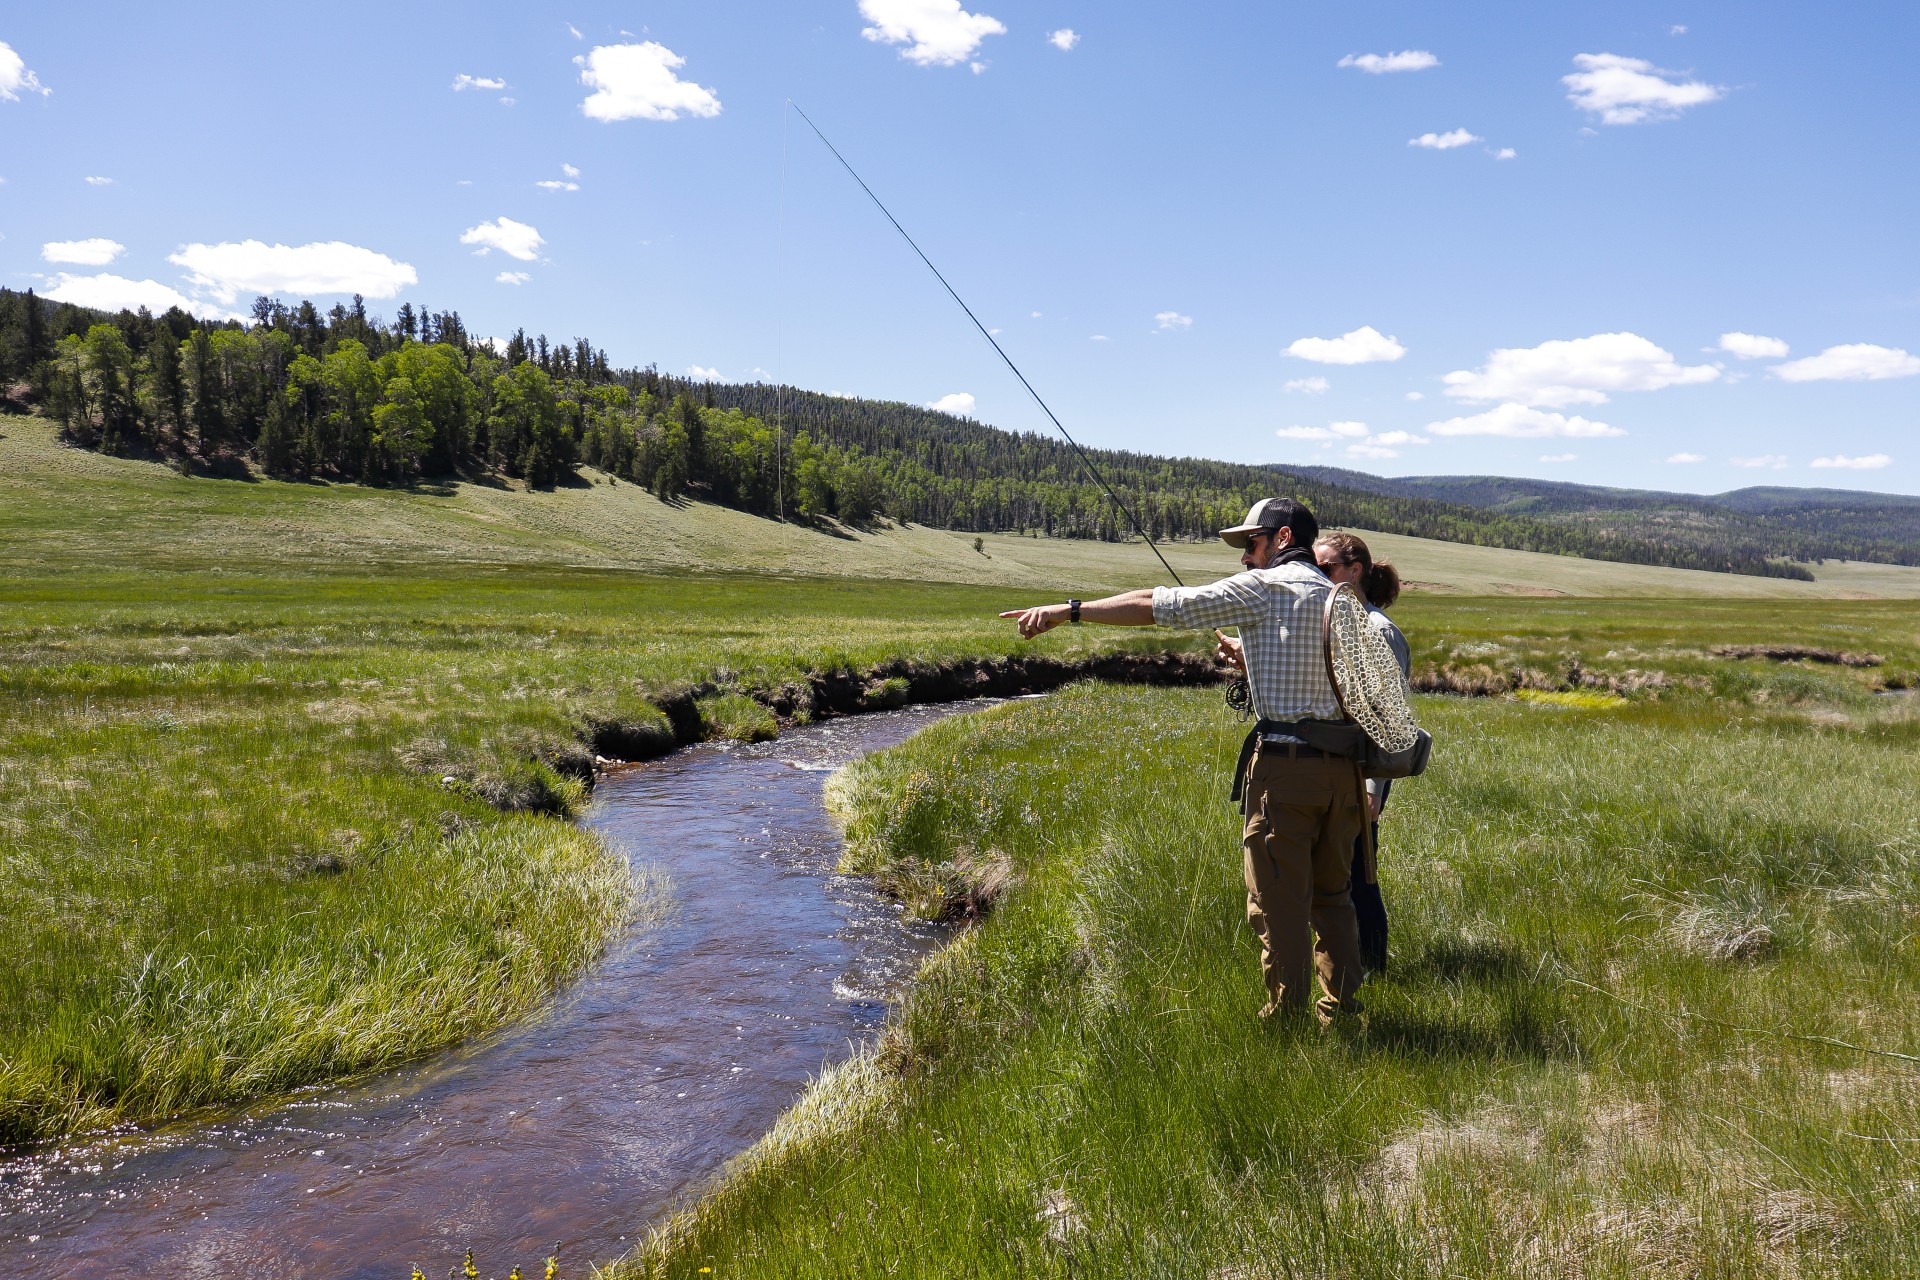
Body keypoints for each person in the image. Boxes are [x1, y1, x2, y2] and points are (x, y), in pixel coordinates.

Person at [1000, 498, 1366, 1024]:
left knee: (1279, 906)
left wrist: (1070, 610)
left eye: (1251, 544)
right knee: (1334, 900)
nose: (1245, 558)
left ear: (1282, 539)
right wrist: (1251, 659)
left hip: (1285, 772)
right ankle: (1343, 1017)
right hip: (1345, 775)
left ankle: (1287, 1025)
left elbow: (1155, 603)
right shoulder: (1342, 599)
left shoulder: (1264, 589)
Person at [1311, 532, 1407, 975]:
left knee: (1359, 874)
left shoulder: (1377, 630)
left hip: (1363, 774)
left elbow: (1390, 721)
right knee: (1337, 872)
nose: (1319, 576)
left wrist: (1374, 788)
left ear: (1355, 572)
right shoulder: (1337, 625)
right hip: (1333, 767)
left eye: (1326, 567)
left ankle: (1371, 968)